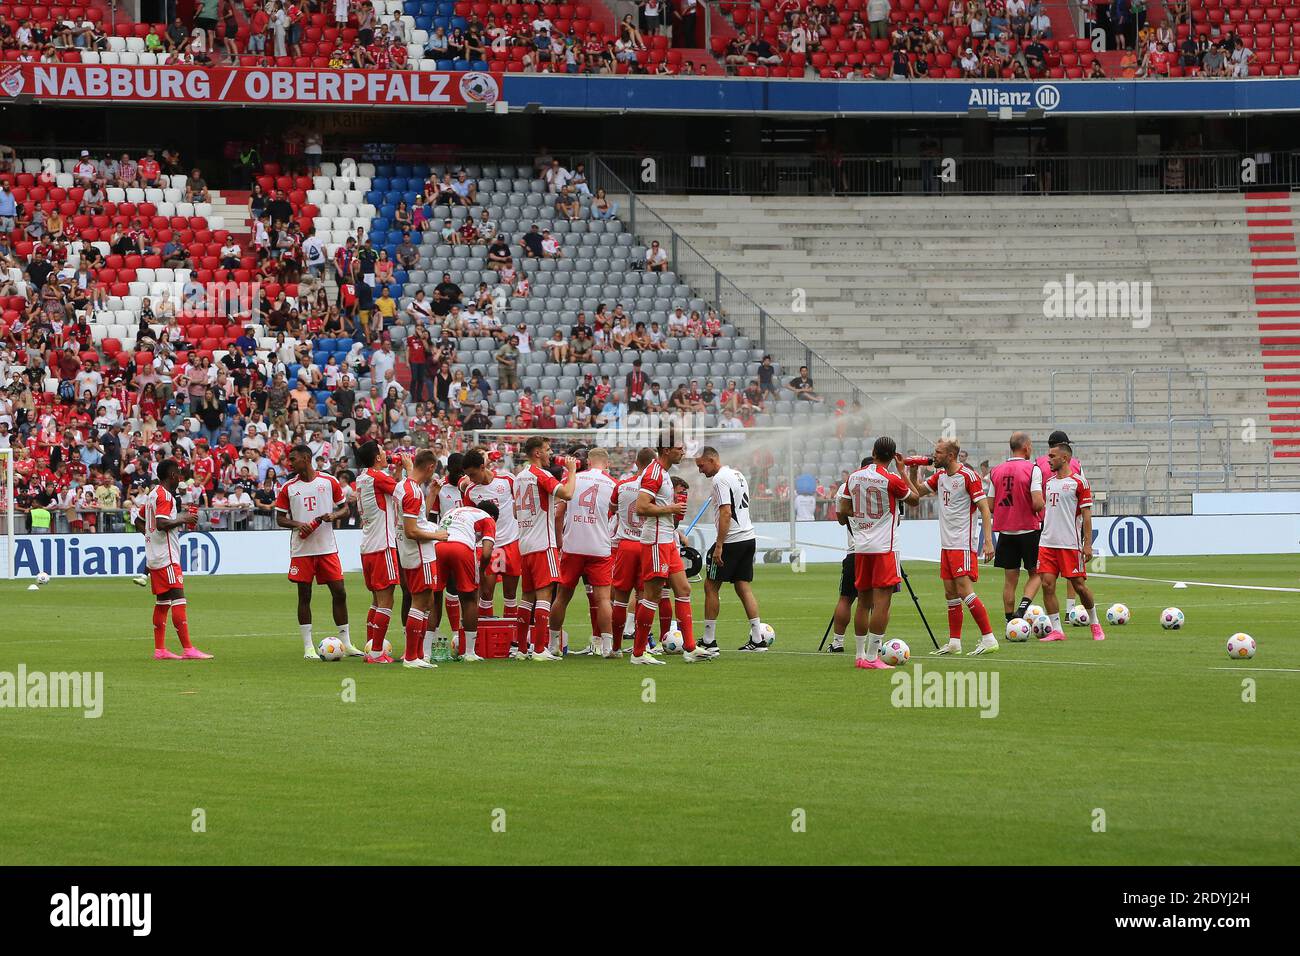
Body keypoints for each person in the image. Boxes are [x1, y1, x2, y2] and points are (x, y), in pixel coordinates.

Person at [905, 439, 997, 657]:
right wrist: (912, 471)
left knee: (965, 591)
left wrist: (988, 541)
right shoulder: (940, 476)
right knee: (950, 593)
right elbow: (917, 492)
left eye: (938, 453)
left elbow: (984, 508)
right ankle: (955, 642)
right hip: (947, 544)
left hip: (962, 544)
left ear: (951, 456)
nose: (933, 456)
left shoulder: (968, 476)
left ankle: (989, 638)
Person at [631, 428, 714, 664]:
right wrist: (671, 509)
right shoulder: (654, 473)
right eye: (679, 448)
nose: (683, 451)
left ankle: (690, 648)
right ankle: (638, 653)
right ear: (666, 450)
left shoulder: (664, 472)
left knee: (684, 589)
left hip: (668, 539)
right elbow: (641, 507)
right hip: (656, 541)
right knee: (652, 595)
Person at [836, 437, 918, 670]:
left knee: (863, 602)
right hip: (884, 548)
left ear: (872, 452)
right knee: (882, 603)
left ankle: (860, 655)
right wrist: (903, 472)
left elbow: (843, 510)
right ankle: (873, 657)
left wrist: (862, 515)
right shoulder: (892, 480)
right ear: (892, 457)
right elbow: (914, 500)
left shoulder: (854, 477)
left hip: (860, 548)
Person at [275, 444, 356, 660]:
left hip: (326, 547)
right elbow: (280, 518)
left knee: (340, 591)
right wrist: (298, 523)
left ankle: (346, 642)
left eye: (293, 459)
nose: (289, 463)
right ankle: (308, 646)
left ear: (306, 457)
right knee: (305, 595)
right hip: (302, 550)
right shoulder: (288, 487)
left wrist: (334, 515)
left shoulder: (328, 481)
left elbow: (345, 508)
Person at [513, 436, 578, 661]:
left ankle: (522, 649)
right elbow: (568, 494)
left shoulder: (518, 477)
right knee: (545, 594)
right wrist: (572, 471)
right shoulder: (542, 475)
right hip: (543, 542)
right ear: (537, 453)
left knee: (526, 597)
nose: (551, 454)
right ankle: (540, 649)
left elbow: (515, 511)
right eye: (548, 450)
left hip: (525, 543)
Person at [694, 446, 764, 654]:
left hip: (731, 541)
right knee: (743, 586)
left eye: (701, 465)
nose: (700, 470)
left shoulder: (719, 479)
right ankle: (758, 639)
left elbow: (726, 512)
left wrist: (719, 545)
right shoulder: (737, 474)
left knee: (710, 586)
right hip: (748, 537)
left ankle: (709, 641)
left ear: (711, 459)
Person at [140, 460, 213, 660]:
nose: (180, 476)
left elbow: (139, 520)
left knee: (162, 602)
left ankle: (160, 649)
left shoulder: (151, 495)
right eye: (178, 473)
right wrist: (184, 519)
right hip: (167, 556)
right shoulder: (165, 496)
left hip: (154, 555)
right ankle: (188, 648)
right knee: (178, 597)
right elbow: (162, 523)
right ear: (172, 475)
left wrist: (150, 537)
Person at [1033, 442, 1105, 643]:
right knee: (1047, 585)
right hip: (1047, 543)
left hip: (1069, 544)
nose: (1049, 460)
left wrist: (1087, 543)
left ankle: (1095, 623)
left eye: (1052, 456)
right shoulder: (1048, 483)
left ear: (1064, 458)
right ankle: (1057, 630)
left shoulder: (1079, 483)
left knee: (1079, 586)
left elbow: (1087, 516)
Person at [551, 447, 618, 657]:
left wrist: (560, 540)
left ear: (588, 462)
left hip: (573, 545)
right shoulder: (614, 484)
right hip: (599, 547)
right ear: (607, 464)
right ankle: (607, 647)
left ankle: (553, 645)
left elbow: (558, 513)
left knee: (562, 597)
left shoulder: (574, 479)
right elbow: (614, 513)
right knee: (603, 599)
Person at [461, 448, 522, 651]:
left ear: (482, 467)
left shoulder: (507, 480)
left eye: (472, 474)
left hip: (511, 542)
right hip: (488, 545)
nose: (470, 478)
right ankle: (485, 639)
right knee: (486, 593)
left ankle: (513, 642)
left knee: (511, 594)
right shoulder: (471, 491)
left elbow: (520, 503)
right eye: (468, 475)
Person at [396, 449, 451, 668]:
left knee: (425, 602)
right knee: (420, 603)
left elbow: (418, 520)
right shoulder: (412, 491)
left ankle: (417, 654)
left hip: (409, 552)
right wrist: (438, 535)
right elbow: (412, 530)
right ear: (430, 467)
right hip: (419, 553)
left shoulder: (404, 486)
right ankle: (411, 656)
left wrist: (432, 496)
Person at [355, 440, 407, 663]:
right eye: (383, 451)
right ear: (377, 458)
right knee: (386, 601)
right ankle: (376, 653)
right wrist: (408, 468)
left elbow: (387, 489)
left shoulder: (362, 478)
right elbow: (405, 493)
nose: (387, 453)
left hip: (368, 545)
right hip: (383, 545)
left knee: (376, 601)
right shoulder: (377, 477)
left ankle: (371, 648)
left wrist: (395, 471)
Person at [991, 431, 1045, 622]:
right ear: (1025, 447)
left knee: (1010, 580)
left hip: (1005, 531)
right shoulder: (1033, 469)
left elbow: (990, 504)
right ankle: (1022, 610)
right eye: (1030, 445)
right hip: (1028, 529)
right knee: (1037, 573)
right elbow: (1037, 502)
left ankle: (1009, 621)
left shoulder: (996, 470)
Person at [436, 499, 500, 661]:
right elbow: (486, 553)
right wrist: (481, 570)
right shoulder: (488, 519)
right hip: (461, 547)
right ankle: (470, 653)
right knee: (469, 598)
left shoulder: (455, 511)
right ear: (493, 516)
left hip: (437, 546)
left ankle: (428, 651)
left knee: (434, 596)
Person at [608, 446, 656, 657]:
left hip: (625, 545)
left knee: (620, 599)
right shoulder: (656, 487)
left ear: (636, 463)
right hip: (646, 544)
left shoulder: (622, 485)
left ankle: (616, 648)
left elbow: (611, 511)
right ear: (654, 465)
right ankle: (641, 647)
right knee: (644, 597)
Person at [1034, 429, 1086, 615]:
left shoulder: (1038, 463)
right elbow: (1082, 492)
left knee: (1046, 579)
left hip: (1046, 522)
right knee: (1073, 576)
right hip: (1068, 524)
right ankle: (1070, 610)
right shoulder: (1075, 463)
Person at [826, 457, 870, 653]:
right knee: (877, 600)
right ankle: (874, 646)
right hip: (879, 551)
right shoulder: (885, 483)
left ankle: (838, 642)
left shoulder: (847, 486)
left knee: (846, 598)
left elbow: (841, 520)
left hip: (854, 551)